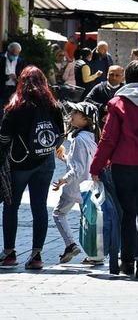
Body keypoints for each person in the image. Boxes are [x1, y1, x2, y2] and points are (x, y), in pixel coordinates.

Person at [89, 61, 138, 278]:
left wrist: (96, 166)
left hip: (124, 166)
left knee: (127, 213)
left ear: (128, 79)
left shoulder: (118, 103)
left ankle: (128, 261)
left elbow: (108, 139)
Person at [0, 66, 64, 269]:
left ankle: (9, 253)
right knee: (39, 207)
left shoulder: (16, 105)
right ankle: (37, 256)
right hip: (45, 162)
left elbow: (4, 137)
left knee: (11, 206)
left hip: (19, 163)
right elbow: (60, 135)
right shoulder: (53, 105)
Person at [52, 102, 100, 264]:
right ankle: (94, 255)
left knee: (58, 214)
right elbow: (81, 163)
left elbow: (77, 168)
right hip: (88, 186)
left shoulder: (78, 139)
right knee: (88, 220)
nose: (71, 114)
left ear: (85, 119)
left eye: (75, 112)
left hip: (75, 186)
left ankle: (71, 244)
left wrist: (63, 180)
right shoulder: (91, 137)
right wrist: (65, 157)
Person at [0, 42, 25, 106]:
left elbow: (23, 74)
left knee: (11, 108)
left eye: (16, 54)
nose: (14, 56)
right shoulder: (1, 58)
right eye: (13, 54)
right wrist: (7, 77)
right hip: (2, 87)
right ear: (8, 51)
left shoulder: (21, 61)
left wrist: (18, 79)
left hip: (14, 88)